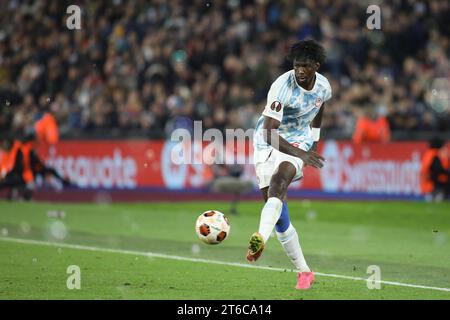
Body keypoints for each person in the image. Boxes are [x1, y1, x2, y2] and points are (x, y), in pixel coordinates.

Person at [248, 39, 330, 290]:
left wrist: (311, 145)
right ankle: (304, 271)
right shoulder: (281, 87)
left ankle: (259, 236)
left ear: (316, 65)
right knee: (280, 216)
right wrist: (302, 155)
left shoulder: (324, 86)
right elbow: (269, 133)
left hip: (298, 141)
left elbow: (319, 107)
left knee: (278, 183)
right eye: (296, 66)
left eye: (305, 66)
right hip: (268, 141)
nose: (300, 71)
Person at [420, 137, 449, 202]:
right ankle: (440, 195)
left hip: (429, 179)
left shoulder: (429, 153)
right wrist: (447, 172)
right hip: (435, 180)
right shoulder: (434, 154)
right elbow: (437, 169)